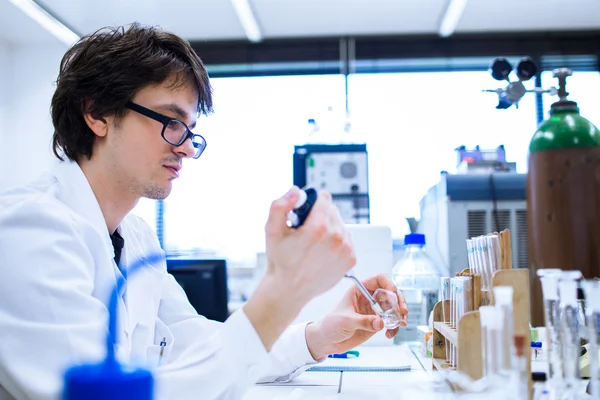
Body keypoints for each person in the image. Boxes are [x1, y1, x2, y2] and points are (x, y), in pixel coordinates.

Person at [0, 23, 408, 400]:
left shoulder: (136, 237)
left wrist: (320, 335)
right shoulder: (30, 232)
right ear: (97, 113)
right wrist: (284, 290)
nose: (184, 148)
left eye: (190, 132)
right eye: (171, 122)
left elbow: (198, 346)